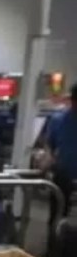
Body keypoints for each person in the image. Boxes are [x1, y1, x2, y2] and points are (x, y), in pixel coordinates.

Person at [44, 83, 77, 221]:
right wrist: (48, 158)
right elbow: (49, 144)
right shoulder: (58, 120)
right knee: (57, 214)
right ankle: (55, 233)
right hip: (63, 174)